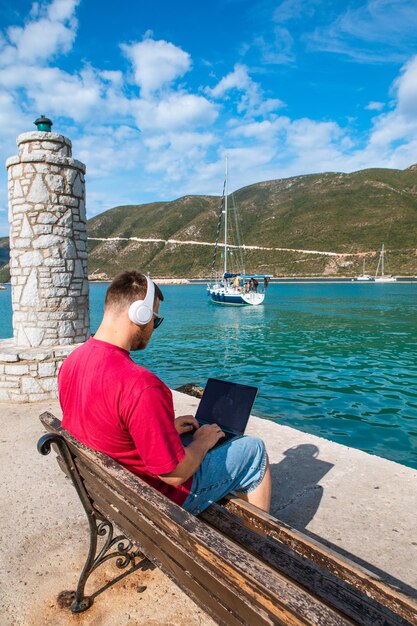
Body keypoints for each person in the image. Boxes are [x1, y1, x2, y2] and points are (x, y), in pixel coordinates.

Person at [58, 270, 271, 515]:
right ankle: (258, 545)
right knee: (253, 450)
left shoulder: (72, 361)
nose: (153, 328)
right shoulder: (142, 385)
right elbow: (174, 474)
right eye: (155, 320)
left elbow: (104, 421)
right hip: (158, 500)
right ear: (141, 314)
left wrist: (164, 429)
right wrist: (202, 442)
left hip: (115, 489)